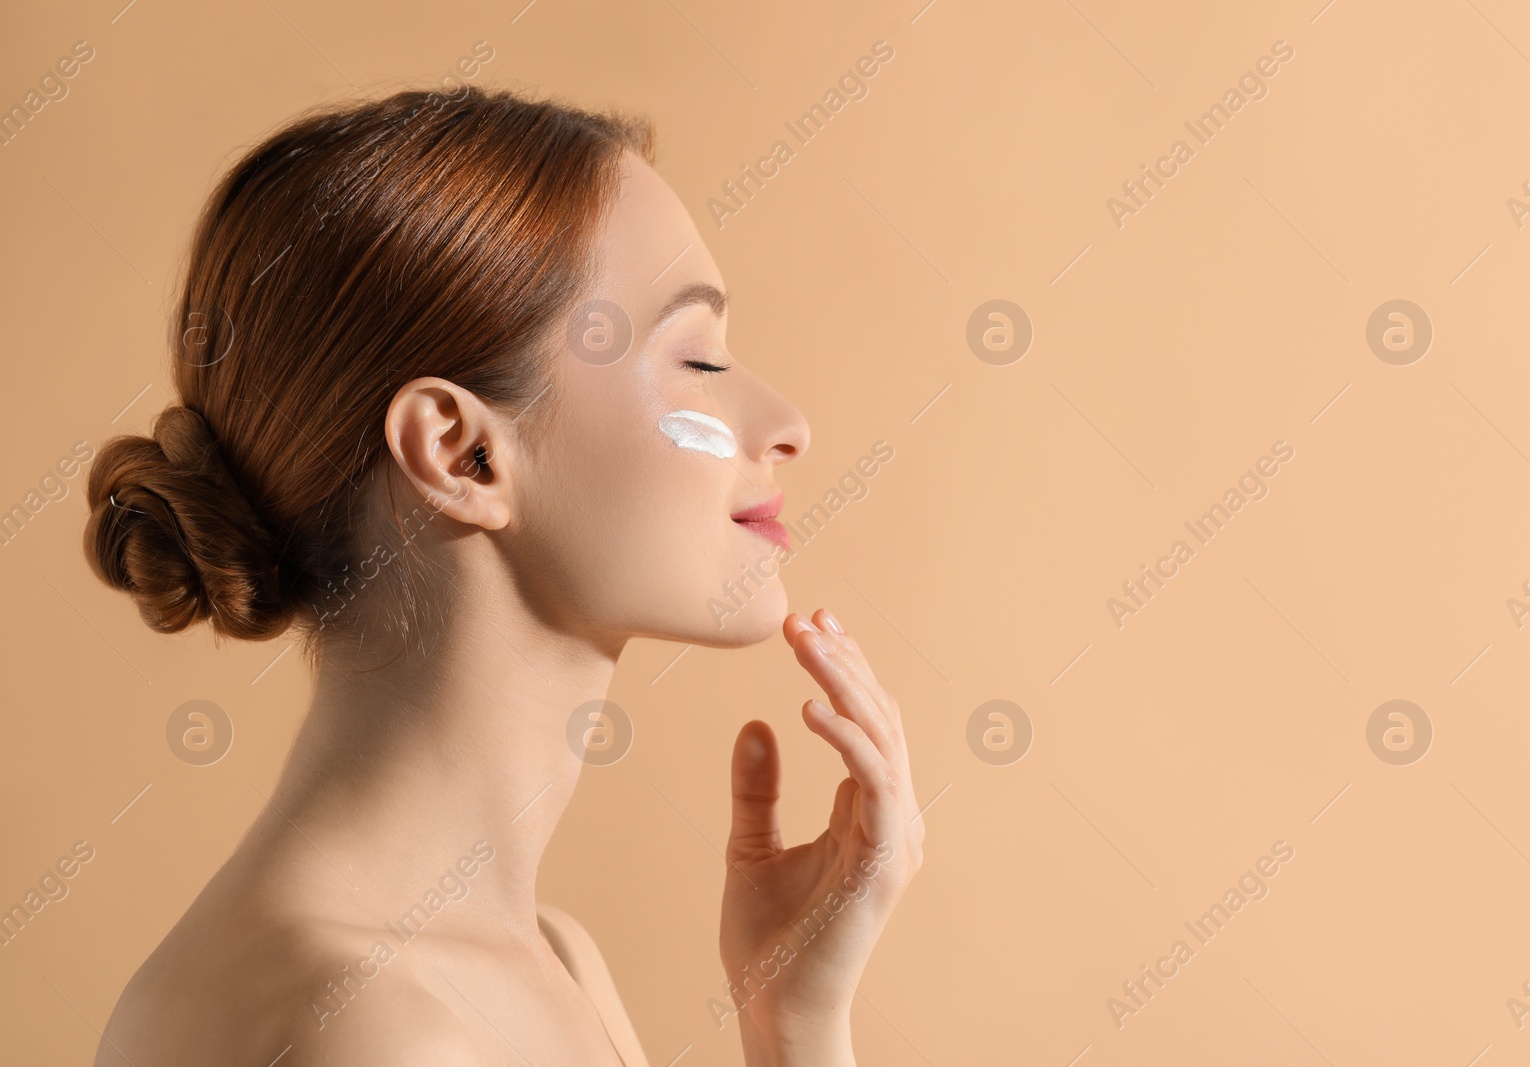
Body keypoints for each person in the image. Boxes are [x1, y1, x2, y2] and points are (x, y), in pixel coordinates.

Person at [83, 87, 923, 1066]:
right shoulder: (380, 1029)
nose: (786, 422)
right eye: (695, 357)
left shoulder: (549, 958)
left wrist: (794, 1022)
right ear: (460, 454)